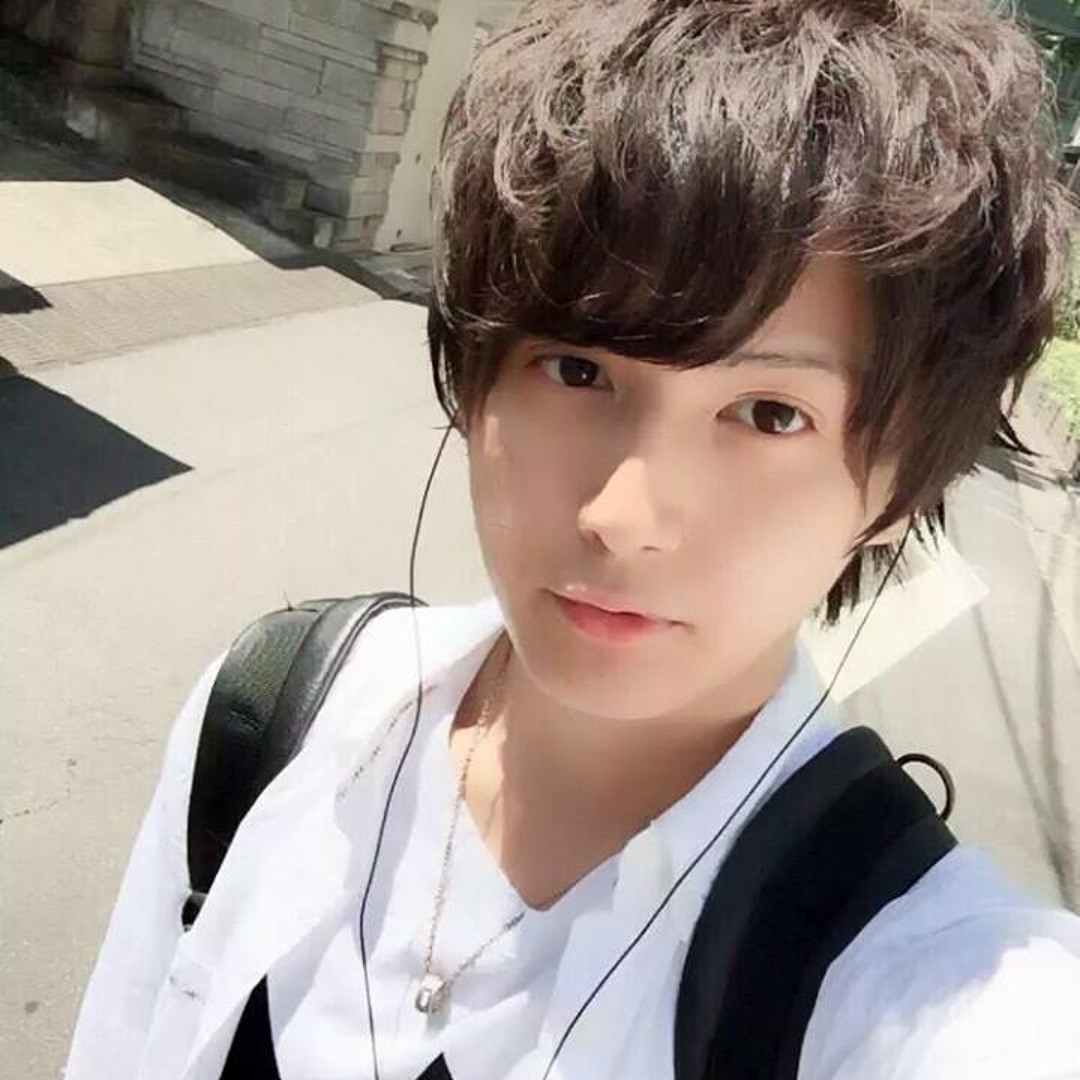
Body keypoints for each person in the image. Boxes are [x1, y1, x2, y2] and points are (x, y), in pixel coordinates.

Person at [66, 1, 1080, 1078]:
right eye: (578, 369)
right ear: (476, 372)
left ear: (898, 484)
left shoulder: (929, 997)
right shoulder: (278, 718)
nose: (621, 517)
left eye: (770, 414)